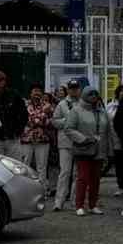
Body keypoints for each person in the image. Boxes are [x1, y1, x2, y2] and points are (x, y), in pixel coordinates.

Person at [62, 86, 112, 216]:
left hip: (99, 150)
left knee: (96, 179)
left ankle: (93, 205)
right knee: (82, 178)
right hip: (83, 149)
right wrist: (83, 139)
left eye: (96, 94)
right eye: (91, 94)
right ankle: (79, 205)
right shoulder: (76, 110)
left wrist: (109, 150)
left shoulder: (102, 111)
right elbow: (68, 128)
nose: (94, 97)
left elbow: (108, 132)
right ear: (84, 95)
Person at [49, 78, 84, 211]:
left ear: (79, 89)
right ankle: (59, 202)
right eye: (71, 88)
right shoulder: (62, 104)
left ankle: (75, 201)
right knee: (64, 172)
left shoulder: (83, 104)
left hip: (80, 142)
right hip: (65, 143)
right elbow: (54, 121)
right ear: (68, 89)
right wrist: (68, 121)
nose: (74, 90)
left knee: (77, 174)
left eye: (76, 88)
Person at [22, 85, 54, 185]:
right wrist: (43, 115)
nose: (36, 93)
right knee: (24, 166)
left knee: (42, 167)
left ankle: (42, 190)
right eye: (34, 91)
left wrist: (36, 119)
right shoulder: (24, 104)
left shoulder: (48, 105)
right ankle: (24, 188)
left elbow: (50, 122)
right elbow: (27, 120)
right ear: (30, 93)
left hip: (43, 140)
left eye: (38, 91)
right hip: (27, 140)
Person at [108, 84, 123, 192]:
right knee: (119, 164)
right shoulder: (111, 105)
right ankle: (121, 186)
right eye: (121, 91)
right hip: (114, 138)